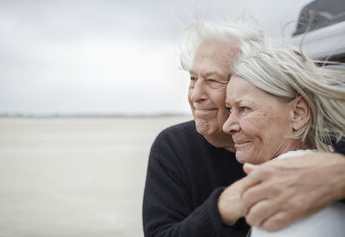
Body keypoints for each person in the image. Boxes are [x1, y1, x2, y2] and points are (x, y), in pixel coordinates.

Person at [142, 20, 345, 237]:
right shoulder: (175, 147)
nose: (195, 95)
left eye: (212, 80)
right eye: (193, 79)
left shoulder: (332, 143)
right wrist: (225, 206)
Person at [222, 47, 345, 236]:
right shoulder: (326, 183)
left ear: (298, 113)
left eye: (244, 108)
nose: (227, 126)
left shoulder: (287, 199)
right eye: (230, 109)